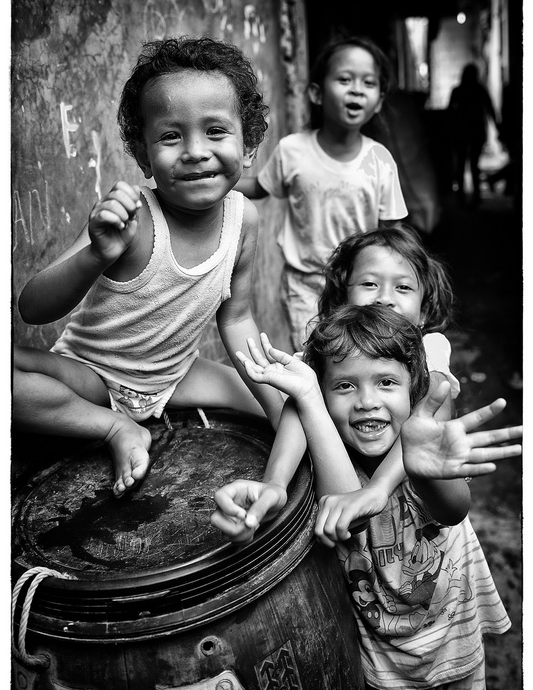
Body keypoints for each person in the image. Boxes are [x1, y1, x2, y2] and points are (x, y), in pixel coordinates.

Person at [224, 304, 522, 690]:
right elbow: (348, 514)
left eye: (386, 382)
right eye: (345, 386)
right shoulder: (326, 462)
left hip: (454, 654)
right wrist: (304, 406)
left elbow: (454, 508)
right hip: (379, 675)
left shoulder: (420, 456)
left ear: (413, 390)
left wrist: (426, 475)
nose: (366, 401)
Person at [13, 36, 285, 498]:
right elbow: (32, 308)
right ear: (143, 155)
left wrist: (281, 409)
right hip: (93, 376)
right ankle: (112, 428)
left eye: (216, 131)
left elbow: (236, 319)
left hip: (177, 376)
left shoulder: (245, 219)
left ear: (249, 145)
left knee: (290, 405)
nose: (196, 151)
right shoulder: (131, 217)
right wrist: (96, 254)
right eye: (171, 136)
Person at [212, 223, 459, 542]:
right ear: (342, 299)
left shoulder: (430, 348)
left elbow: (435, 410)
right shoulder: (327, 357)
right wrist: (276, 483)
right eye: (369, 283)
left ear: (424, 311)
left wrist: (377, 489)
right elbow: (299, 404)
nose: (384, 298)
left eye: (403, 288)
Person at [236, 34, 408, 350]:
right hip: (305, 286)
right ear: (316, 93)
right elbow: (259, 187)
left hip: (361, 288)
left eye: (368, 83)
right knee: (314, 361)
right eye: (345, 79)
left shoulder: (380, 160)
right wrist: (215, 178)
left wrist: (397, 287)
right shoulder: (293, 150)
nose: (357, 89)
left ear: (379, 101)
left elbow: (392, 235)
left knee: (357, 361)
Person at [448, 63, 497, 206]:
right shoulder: (479, 90)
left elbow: (450, 112)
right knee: (474, 165)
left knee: (461, 164)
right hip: (476, 131)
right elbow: (489, 108)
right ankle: (476, 197)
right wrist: (496, 125)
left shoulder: (458, 91)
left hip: (461, 131)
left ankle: (461, 197)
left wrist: (451, 129)